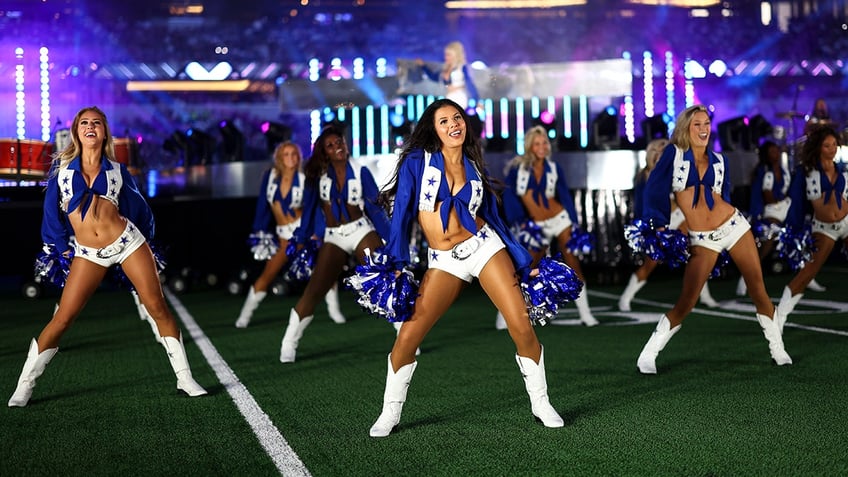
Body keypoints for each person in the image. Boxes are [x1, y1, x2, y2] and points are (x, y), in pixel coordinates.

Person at [367, 98, 568, 437]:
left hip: (484, 247)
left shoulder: (474, 164)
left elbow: (492, 219)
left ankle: (541, 403)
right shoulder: (419, 161)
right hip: (444, 260)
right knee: (409, 335)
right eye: (443, 121)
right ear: (433, 129)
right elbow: (401, 210)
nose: (452, 125)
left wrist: (523, 262)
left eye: (457, 118)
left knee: (520, 321)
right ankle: (390, 412)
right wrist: (397, 261)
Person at [8, 106, 206, 407]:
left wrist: (147, 240)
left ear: (104, 132)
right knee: (63, 319)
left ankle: (185, 378)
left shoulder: (118, 170)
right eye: (84, 123)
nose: (90, 127)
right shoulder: (61, 172)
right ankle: (25, 385)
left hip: (128, 242)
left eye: (97, 123)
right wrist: (60, 248)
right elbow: (51, 216)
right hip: (88, 253)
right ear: (76, 131)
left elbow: (138, 207)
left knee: (158, 307)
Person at [634, 105, 792, 374]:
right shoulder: (674, 154)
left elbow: (725, 197)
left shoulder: (720, 160)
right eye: (697, 124)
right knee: (687, 300)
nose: (703, 128)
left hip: (734, 227)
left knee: (758, 290)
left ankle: (777, 348)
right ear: (686, 127)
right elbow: (654, 190)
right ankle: (648, 354)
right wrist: (657, 225)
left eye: (706, 123)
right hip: (702, 239)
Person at [279, 126, 390, 363]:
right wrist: (301, 238)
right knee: (315, 290)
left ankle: (407, 338)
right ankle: (289, 342)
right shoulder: (317, 175)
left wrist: (392, 239)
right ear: (324, 152)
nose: (337, 146)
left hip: (360, 230)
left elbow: (374, 207)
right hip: (333, 236)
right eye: (330, 145)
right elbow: (309, 211)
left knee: (383, 281)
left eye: (339, 141)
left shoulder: (361, 170)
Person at [234, 141, 346, 328]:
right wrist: (259, 229)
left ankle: (334, 311)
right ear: (279, 157)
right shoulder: (269, 177)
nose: (291, 158)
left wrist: (316, 234)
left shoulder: (306, 178)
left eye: (294, 154)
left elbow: (313, 208)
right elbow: (263, 204)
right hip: (283, 237)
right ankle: (245, 316)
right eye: (286, 154)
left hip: (301, 233)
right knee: (267, 274)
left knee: (323, 271)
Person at [499, 125, 599, 327]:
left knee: (572, 263)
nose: (542, 146)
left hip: (560, 220)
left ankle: (585, 314)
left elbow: (564, 196)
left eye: (544, 142)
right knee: (528, 268)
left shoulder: (554, 168)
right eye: (537, 143)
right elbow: (510, 198)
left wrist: (574, 222)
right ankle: (505, 314)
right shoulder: (518, 169)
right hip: (536, 225)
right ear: (529, 146)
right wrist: (520, 221)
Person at [619, 138, 720, 311]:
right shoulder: (645, 176)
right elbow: (645, 206)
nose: (661, 155)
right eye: (657, 152)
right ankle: (625, 298)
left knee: (698, 253)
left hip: (679, 217)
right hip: (657, 221)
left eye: (665, 152)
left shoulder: (676, 171)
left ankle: (704, 295)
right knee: (651, 263)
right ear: (651, 154)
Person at [736, 141, 827, 296]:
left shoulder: (784, 171)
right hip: (773, 211)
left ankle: (807, 277)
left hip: (786, 209)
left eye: (776, 151)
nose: (775, 154)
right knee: (767, 244)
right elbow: (767, 196)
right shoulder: (765, 171)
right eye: (771, 152)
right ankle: (744, 280)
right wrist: (782, 201)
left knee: (799, 241)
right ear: (766, 155)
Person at [777, 124, 847, 321]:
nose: (832, 149)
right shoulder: (805, 172)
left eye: (834, 145)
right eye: (827, 145)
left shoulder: (842, 169)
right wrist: (794, 230)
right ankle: (779, 318)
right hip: (824, 229)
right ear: (818, 147)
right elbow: (797, 203)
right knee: (806, 275)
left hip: (847, 222)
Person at [416, 41, 479, 110]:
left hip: (460, 99)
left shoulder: (462, 67)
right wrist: (423, 66)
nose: (446, 57)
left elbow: (469, 83)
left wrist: (477, 100)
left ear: (455, 55)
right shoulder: (445, 68)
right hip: (449, 98)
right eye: (446, 54)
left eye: (448, 55)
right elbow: (434, 77)